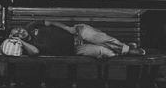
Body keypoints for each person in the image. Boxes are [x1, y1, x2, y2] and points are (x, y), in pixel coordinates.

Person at [10, 20, 146, 58]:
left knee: (100, 38)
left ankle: (128, 50)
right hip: (75, 49)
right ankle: (126, 48)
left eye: (19, 29)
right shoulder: (28, 46)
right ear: (17, 39)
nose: (20, 31)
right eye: (17, 34)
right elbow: (35, 53)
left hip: (77, 33)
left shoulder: (31, 25)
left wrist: (69, 28)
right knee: (105, 53)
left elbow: (51, 22)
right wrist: (20, 42)